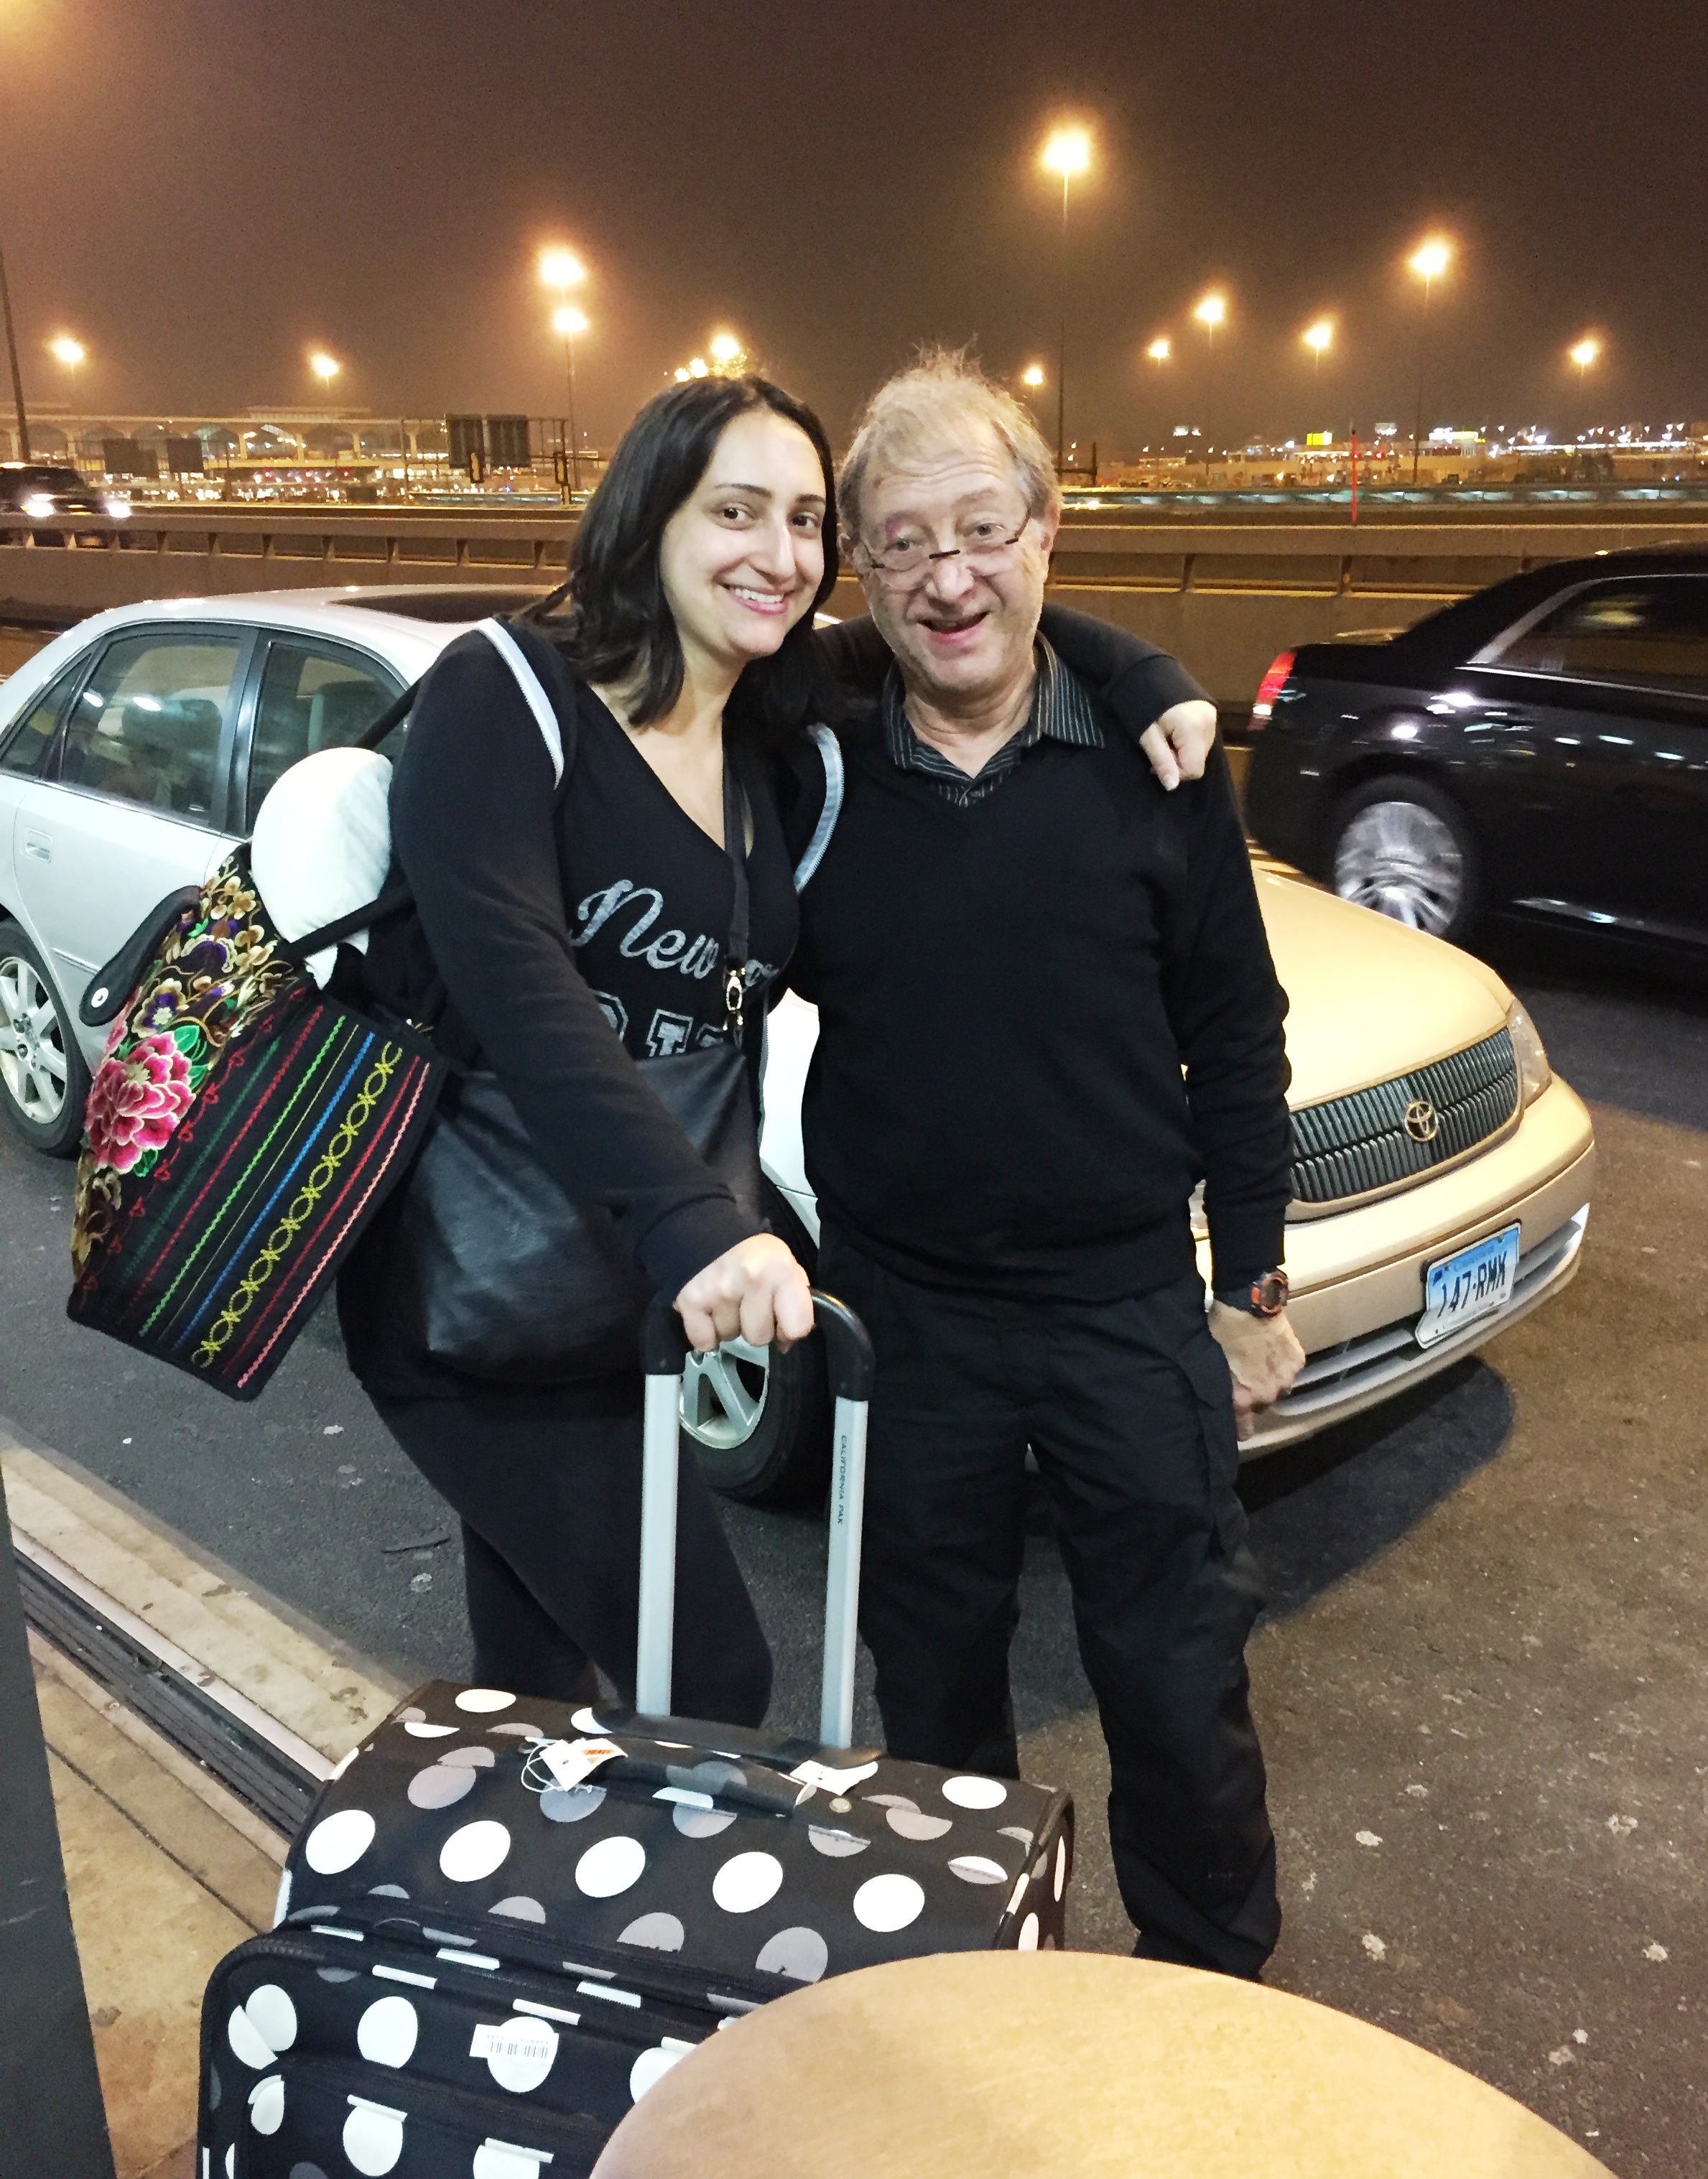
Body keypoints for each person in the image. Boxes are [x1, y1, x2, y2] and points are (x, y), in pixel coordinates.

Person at [782, 350, 1305, 1977]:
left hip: (1125, 1308)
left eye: (982, 532)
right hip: (905, 1313)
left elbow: (1237, 1033)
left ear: (1047, 531)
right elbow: (677, 647)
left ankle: (1207, 1995)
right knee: (931, 1685)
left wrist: (1252, 1286)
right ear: (858, 571)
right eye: (901, 544)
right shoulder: (813, 757)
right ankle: (969, 1989)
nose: (949, 580)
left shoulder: (1156, 770)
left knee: (1176, 1677)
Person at [338, 375, 832, 1722]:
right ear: (649, 518)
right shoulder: (507, 696)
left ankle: (516, 1856)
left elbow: (972, 611)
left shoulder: (768, 737)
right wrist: (693, 1221)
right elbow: (518, 985)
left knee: (533, 1667)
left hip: (607, 1300)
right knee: (712, 1674)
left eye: (805, 520)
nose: (779, 554)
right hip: (468, 1289)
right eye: (736, 511)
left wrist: (1139, 675)